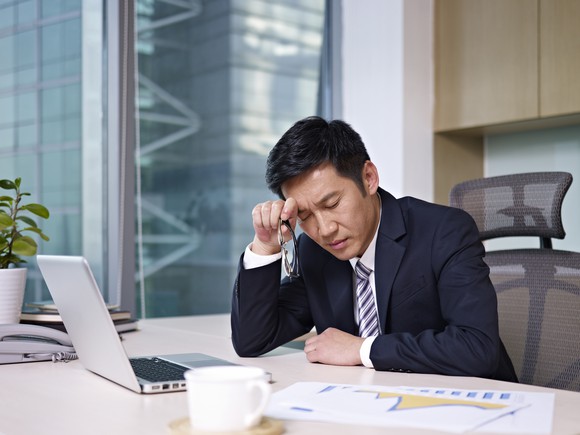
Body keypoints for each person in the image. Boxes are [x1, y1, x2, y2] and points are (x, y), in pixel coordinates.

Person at [230, 116, 518, 381]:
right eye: (304, 216)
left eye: (331, 204)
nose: (325, 229)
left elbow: (477, 348)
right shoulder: (314, 251)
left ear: (369, 178)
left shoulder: (444, 231)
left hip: (470, 408)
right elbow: (253, 340)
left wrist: (363, 349)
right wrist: (266, 246)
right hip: (371, 405)